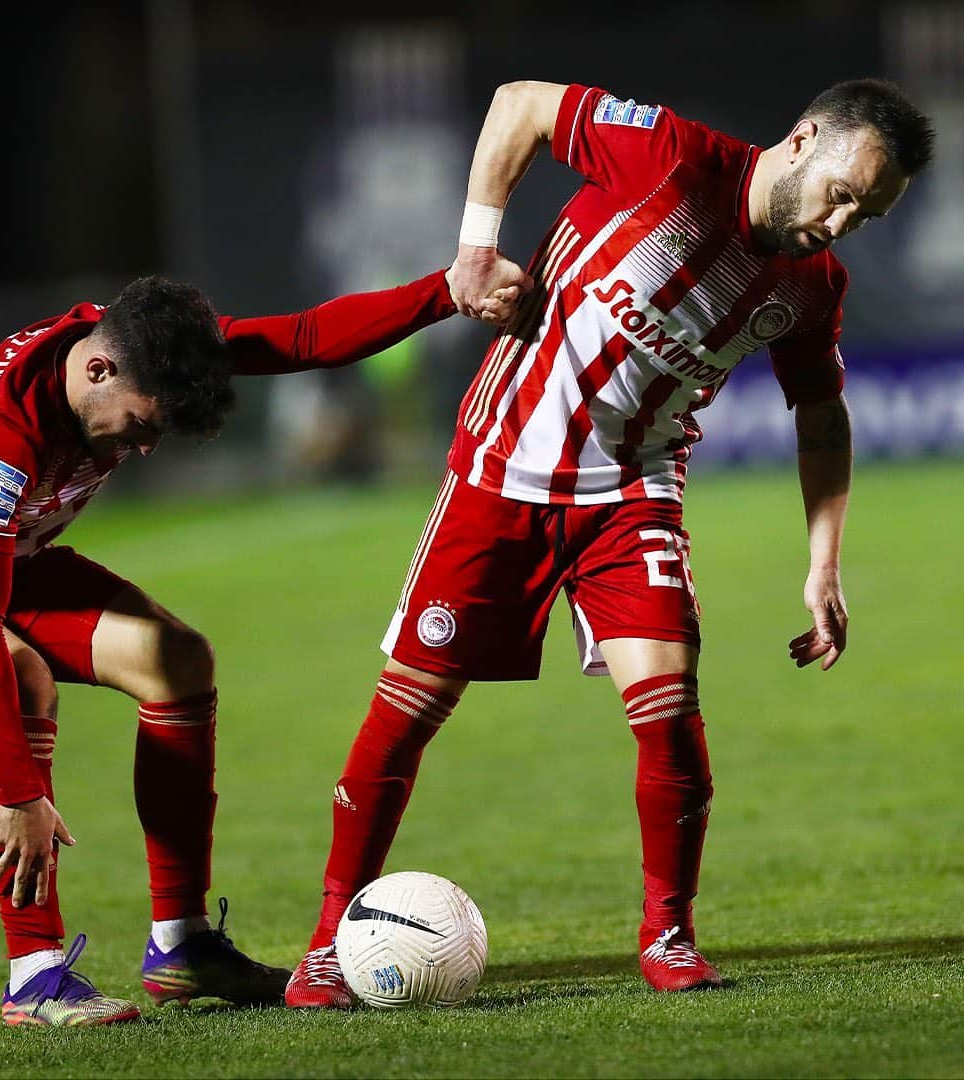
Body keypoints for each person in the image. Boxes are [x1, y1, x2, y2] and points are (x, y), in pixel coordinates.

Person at [283, 76, 936, 1005]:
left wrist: (823, 563)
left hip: (633, 495)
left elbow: (823, 418)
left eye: (865, 216)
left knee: (669, 700)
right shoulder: (670, 156)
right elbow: (518, 105)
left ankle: (668, 936)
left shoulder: (810, 286)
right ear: (802, 142)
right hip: (500, 470)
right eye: (843, 194)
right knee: (409, 709)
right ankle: (324, 943)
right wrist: (476, 250)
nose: (841, 223)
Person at [0, 264, 526, 1026]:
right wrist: (22, 791)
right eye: (143, 424)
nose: (146, 448)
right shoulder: (1, 435)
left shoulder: (146, 348)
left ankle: (180, 946)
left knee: (177, 662)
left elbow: (307, 338)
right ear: (98, 369)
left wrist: (448, 290)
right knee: (20, 680)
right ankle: (34, 975)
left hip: (0, 552)